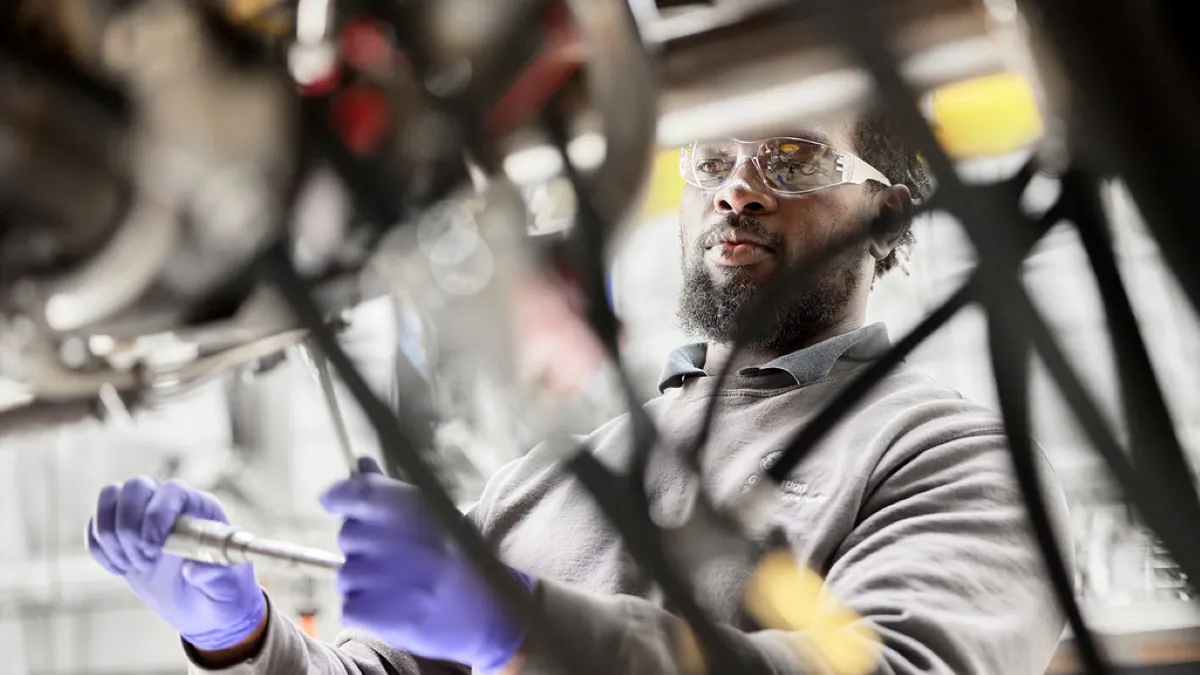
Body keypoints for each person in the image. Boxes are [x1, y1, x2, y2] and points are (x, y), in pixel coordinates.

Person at [86, 113, 1070, 675]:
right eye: (714, 160)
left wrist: (521, 626)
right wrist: (239, 634)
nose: (738, 188)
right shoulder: (567, 468)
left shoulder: (952, 454)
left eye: (794, 160)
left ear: (888, 211)